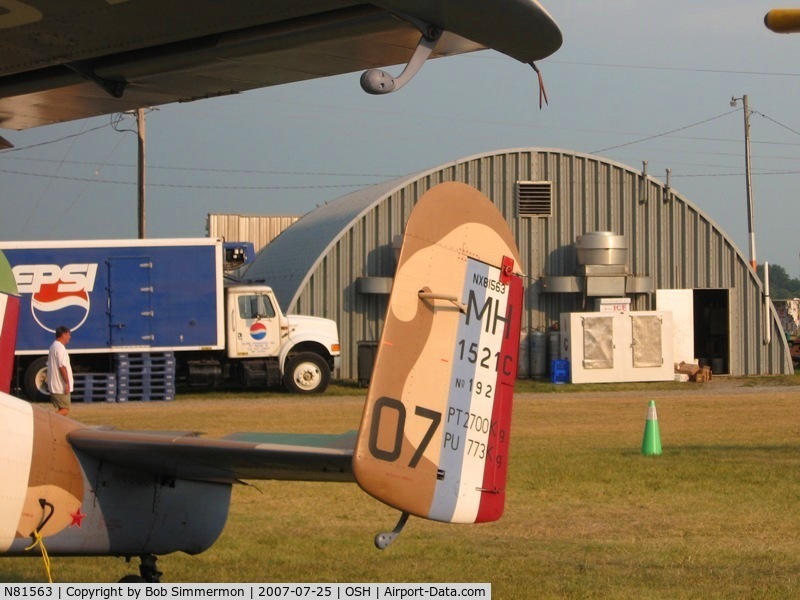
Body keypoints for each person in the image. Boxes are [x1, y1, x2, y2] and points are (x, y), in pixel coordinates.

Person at [47, 326, 72, 416]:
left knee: (61, 408)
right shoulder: (60, 348)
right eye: (68, 335)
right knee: (65, 410)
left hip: (54, 384)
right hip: (60, 385)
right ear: (63, 335)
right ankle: (47, 422)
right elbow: (62, 366)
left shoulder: (53, 346)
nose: (70, 337)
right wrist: (67, 383)